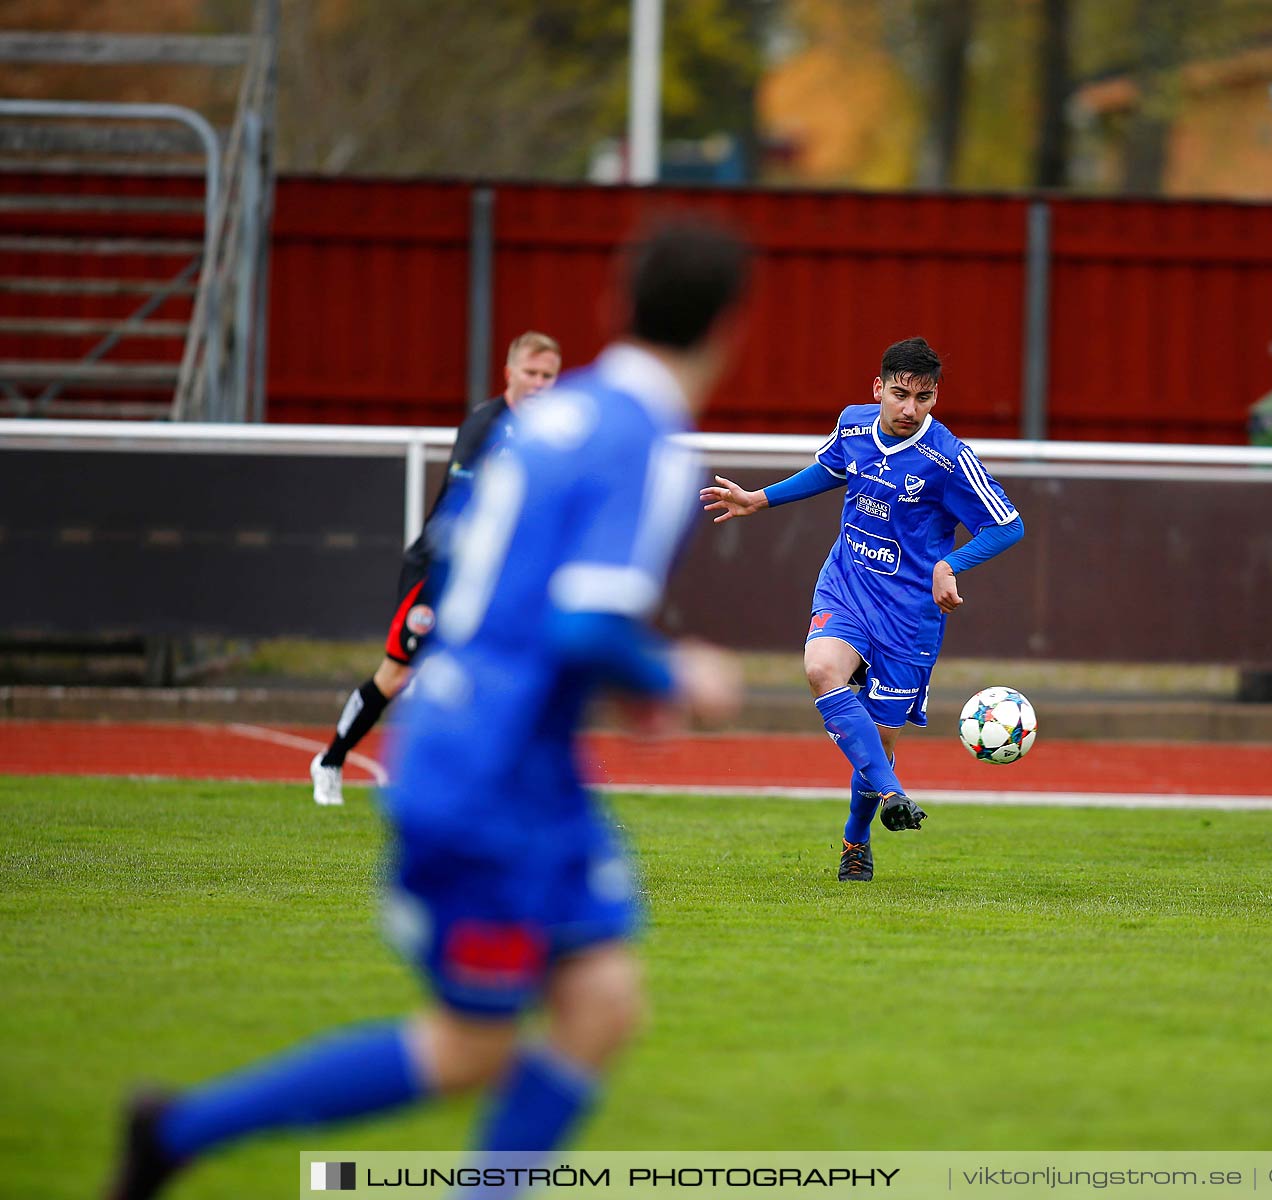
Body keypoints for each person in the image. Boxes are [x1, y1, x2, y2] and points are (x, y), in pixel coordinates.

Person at [105, 217, 751, 1199]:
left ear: (613, 306)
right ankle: (178, 1132)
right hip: (487, 772)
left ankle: (176, 1135)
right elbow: (584, 625)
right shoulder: (645, 444)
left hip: (513, 758)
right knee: (472, 1049)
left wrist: (610, 678)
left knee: (603, 1006)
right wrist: (678, 679)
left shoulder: (552, 416)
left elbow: (522, 591)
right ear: (730, 331)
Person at [700, 337, 1024, 883]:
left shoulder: (948, 459)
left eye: (922, 398)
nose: (908, 409)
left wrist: (951, 565)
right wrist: (760, 498)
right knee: (821, 669)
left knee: (880, 740)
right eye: (899, 394)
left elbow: (1008, 524)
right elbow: (828, 470)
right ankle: (893, 792)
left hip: (909, 617)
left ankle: (856, 838)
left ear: (935, 398)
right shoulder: (853, 426)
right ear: (878, 388)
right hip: (847, 589)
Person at [309, 331, 563, 806]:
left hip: (490, 578)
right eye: (531, 373)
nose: (540, 384)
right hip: (440, 570)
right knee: (397, 675)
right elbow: (468, 503)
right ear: (510, 373)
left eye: (549, 376)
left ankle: (485, 791)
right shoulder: (485, 425)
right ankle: (330, 760)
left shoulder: (547, 435)